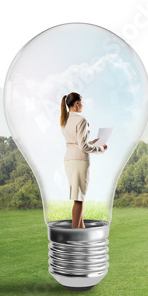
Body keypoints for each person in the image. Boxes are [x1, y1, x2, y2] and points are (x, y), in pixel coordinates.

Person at [60, 92, 107, 228]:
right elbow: (83, 146)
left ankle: (81, 229)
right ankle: (75, 232)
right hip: (79, 160)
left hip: (69, 158)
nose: (82, 105)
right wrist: (100, 149)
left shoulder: (64, 119)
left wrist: (92, 141)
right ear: (76, 103)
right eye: (81, 102)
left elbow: (76, 142)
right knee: (79, 199)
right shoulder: (81, 120)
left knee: (78, 197)